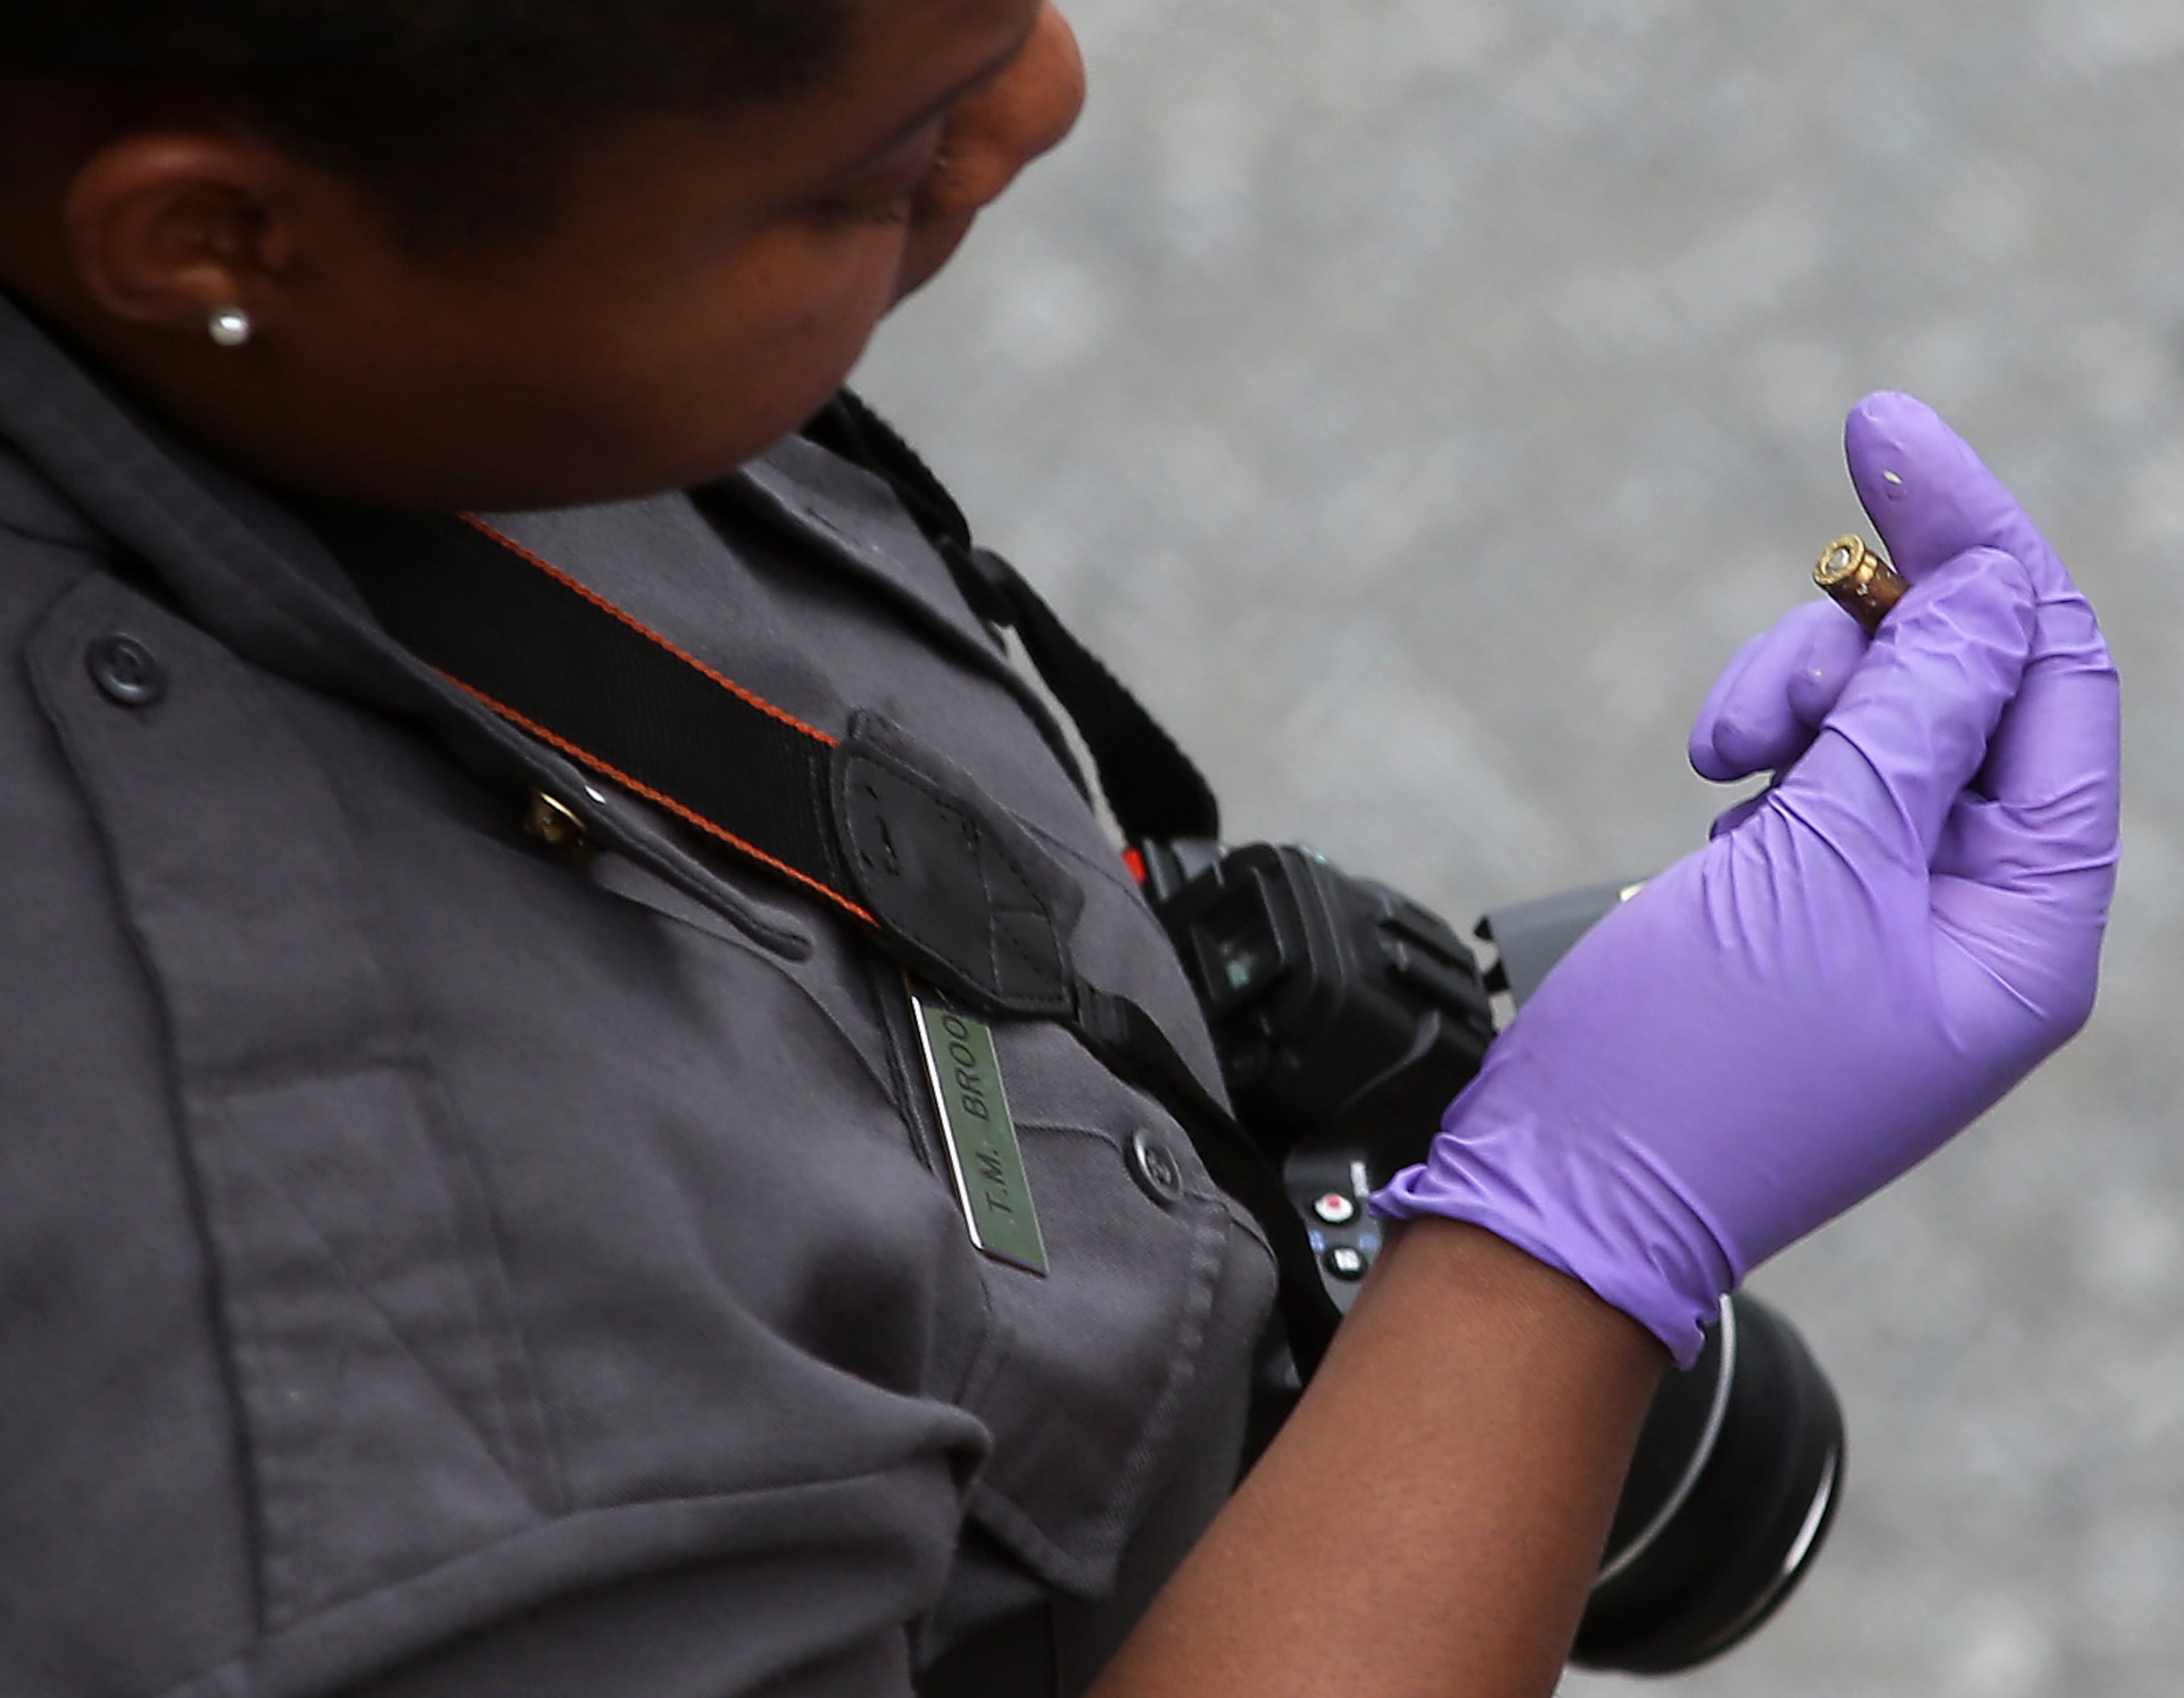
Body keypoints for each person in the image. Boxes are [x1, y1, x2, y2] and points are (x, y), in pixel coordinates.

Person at [0, 2, 2119, 1696]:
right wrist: (1563, 1257)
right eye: (865, 174)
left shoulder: (347, 290)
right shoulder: (370, 1441)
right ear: (215, 243)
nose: (1048, 99)